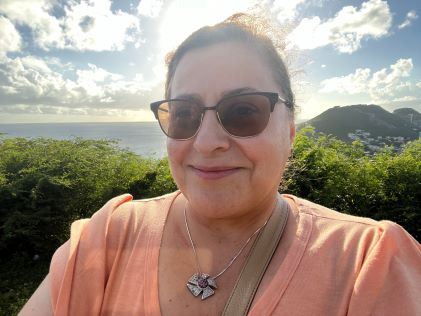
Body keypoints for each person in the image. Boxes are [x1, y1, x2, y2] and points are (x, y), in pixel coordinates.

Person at [20, 13, 420, 316]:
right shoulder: (109, 237)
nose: (207, 142)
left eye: (244, 111)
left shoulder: (367, 263)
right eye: (183, 114)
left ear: (291, 130)